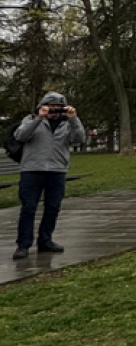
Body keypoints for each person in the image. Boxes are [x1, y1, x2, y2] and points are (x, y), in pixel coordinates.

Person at [12, 92, 86, 260]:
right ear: (42, 107)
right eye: (51, 107)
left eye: (58, 108)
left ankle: (45, 240)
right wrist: (39, 118)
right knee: (28, 208)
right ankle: (23, 244)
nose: (54, 111)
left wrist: (74, 119)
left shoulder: (67, 124)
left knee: (53, 207)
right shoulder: (31, 120)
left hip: (57, 170)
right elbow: (20, 136)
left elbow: (80, 139)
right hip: (32, 170)